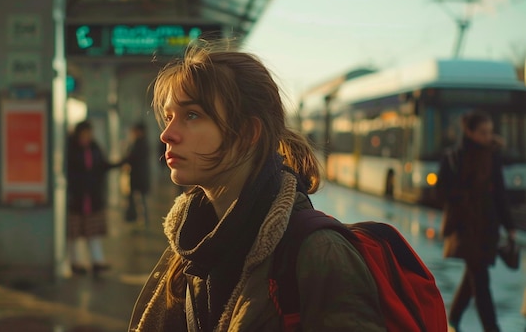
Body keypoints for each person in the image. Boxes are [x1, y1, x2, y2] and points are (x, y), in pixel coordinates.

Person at [129, 42, 386, 331]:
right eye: (168, 117)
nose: (167, 134)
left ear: (248, 132)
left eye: (192, 115)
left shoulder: (319, 253)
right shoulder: (190, 245)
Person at [436, 109, 516, 332]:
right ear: (469, 132)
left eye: (490, 132)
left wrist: (510, 227)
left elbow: (500, 193)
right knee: (480, 279)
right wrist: (463, 196)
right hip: (465, 225)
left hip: (488, 226)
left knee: (474, 274)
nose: (488, 137)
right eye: (483, 132)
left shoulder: (493, 156)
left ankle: (452, 319)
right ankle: (492, 328)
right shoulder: (454, 157)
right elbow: (440, 191)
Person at [66, 120, 119, 277]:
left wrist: (121, 163)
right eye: (84, 134)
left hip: (92, 196)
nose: (87, 137)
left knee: (93, 231)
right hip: (76, 197)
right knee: (74, 233)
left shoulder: (95, 148)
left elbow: (102, 166)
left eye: (89, 133)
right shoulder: (71, 150)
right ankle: (75, 263)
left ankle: (97, 261)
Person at [122, 122, 151, 227]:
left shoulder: (139, 144)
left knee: (140, 199)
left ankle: (141, 220)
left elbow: (130, 158)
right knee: (140, 199)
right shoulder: (141, 143)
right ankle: (140, 219)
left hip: (138, 177)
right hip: (140, 176)